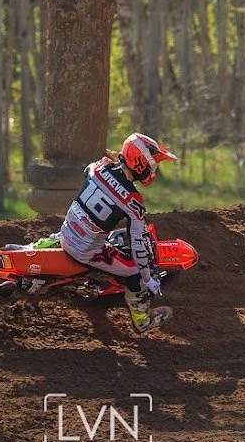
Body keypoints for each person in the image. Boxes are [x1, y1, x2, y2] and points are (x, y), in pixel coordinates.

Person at [60, 132, 178, 335]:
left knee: (114, 236)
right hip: (85, 250)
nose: (154, 169)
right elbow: (139, 244)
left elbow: (87, 172)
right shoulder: (133, 200)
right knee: (134, 271)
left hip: (67, 231)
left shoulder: (98, 166)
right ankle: (142, 320)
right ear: (140, 162)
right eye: (153, 164)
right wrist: (148, 278)